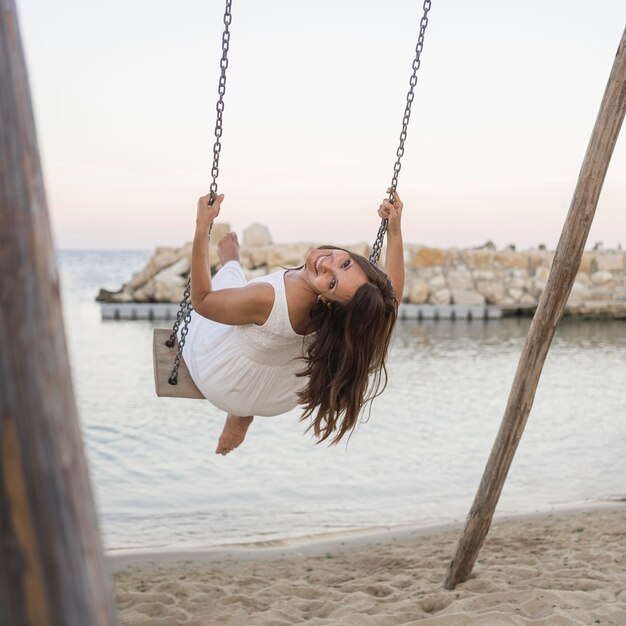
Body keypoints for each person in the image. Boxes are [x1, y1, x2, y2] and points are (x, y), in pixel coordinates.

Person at [182, 189, 404, 455]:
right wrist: (394, 230)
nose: (326, 264)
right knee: (252, 321)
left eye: (331, 283)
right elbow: (392, 300)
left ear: (327, 302)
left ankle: (240, 410)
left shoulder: (268, 298)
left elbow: (203, 301)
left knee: (231, 282)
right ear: (356, 259)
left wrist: (202, 227)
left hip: (223, 380)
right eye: (344, 263)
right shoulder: (342, 314)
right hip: (276, 394)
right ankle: (242, 415)